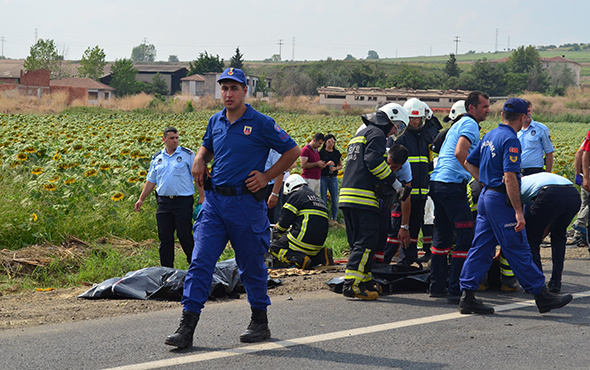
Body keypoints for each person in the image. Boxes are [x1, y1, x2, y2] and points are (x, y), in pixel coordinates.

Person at [165, 68, 300, 348]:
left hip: (246, 205)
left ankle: (259, 321)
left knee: (251, 266)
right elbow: (207, 147)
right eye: (224, 88)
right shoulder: (215, 121)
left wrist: (266, 176)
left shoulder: (261, 123)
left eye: (233, 88)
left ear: (244, 91)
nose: (228, 93)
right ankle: (186, 327)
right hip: (215, 204)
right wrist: (200, 159)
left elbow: (293, 151)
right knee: (200, 263)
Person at [459, 97, 573, 315]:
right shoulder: (511, 140)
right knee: (517, 247)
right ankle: (541, 295)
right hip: (500, 201)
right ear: (523, 117)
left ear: (502, 115)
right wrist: (519, 211)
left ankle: (467, 295)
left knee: (481, 246)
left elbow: (468, 161)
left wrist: (485, 182)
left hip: (485, 197)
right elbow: (511, 177)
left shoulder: (490, 134)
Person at [339, 103, 408, 300]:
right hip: (363, 198)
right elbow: (373, 162)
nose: (395, 132)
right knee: (367, 240)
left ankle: (364, 278)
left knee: (357, 242)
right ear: (389, 121)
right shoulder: (377, 133)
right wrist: (395, 184)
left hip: (347, 196)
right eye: (397, 126)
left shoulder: (360, 134)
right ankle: (352, 284)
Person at [428, 92, 489, 304]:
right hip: (451, 185)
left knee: (442, 235)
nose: (488, 110)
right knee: (465, 235)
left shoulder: (458, 124)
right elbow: (460, 152)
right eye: (484, 106)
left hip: (438, 183)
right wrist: (480, 178)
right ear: (471, 108)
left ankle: (436, 286)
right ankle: (456, 289)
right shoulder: (470, 124)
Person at [134, 127, 197, 268]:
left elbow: (197, 176)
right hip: (163, 202)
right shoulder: (157, 158)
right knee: (165, 238)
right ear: (164, 139)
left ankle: (195, 267)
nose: (175, 140)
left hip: (183, 201)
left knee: (185, 236)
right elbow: (151, 180)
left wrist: (203, 197)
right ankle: (166, 271)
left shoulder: (187, 155)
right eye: (172, 138)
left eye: (177, 138)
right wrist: (141, 198)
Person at [389, 98, 440, 266]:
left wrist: (430, 185)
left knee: (415, 227)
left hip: (422, 192)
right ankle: (389, 258)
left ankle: (409, 258)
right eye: (411, 118)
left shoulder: (426, 138)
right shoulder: (401, 139)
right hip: (404, 192)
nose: (414, 121)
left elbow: (430, 164)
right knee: (399, 226)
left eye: (417, 118)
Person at [520, 172, 580, 293]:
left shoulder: (513, 186)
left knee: (532, 240)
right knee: (559, 236)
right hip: (572, 194)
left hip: (549, 193)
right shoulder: (533, 179)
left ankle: (537, 284)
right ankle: (556, 282)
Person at [269, 174, 332, 269]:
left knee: (274, 247)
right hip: (317, 244)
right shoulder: (318, 198)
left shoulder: (297, 195)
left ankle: (298, 259)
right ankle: (322, 255)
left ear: (289, 187)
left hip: (301, 240)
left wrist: (278, 229)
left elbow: (283, 223)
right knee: (307, 255)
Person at [378, 144, 412, 265]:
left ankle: (381, 262)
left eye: (395, 167)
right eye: (389, 164)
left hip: (388, 195)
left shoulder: (406, 169)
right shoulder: (379, 155)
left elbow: (406, 197)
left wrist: (404, 226)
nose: (390, 168)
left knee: (385, 227)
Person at [517, 100, 554, 176]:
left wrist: (547, 175)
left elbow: (549, 153)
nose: (527, 114)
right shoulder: (515, 130)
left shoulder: (541, 129)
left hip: (535, 172)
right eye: (524, 112)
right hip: (517, 171)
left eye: (529, 111)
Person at [319, 134, 342, 225]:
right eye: (329, 141)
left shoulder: (336, 153)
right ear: (325, 142)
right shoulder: (321, 153)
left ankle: (334, 218)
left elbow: (340, 166)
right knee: (323, 198)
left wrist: (335, 168)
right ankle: (324, 217)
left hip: (333, 178)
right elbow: (318, 166)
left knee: (335, 199)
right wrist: (327, 164)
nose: (331, 143)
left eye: (333, 141)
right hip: (323, 177)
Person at [264, 149, 285, 224]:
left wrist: (274, 194)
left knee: (273, 217)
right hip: (260, 186)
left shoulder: (274, 151)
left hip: (272, 187)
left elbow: (280, 171)